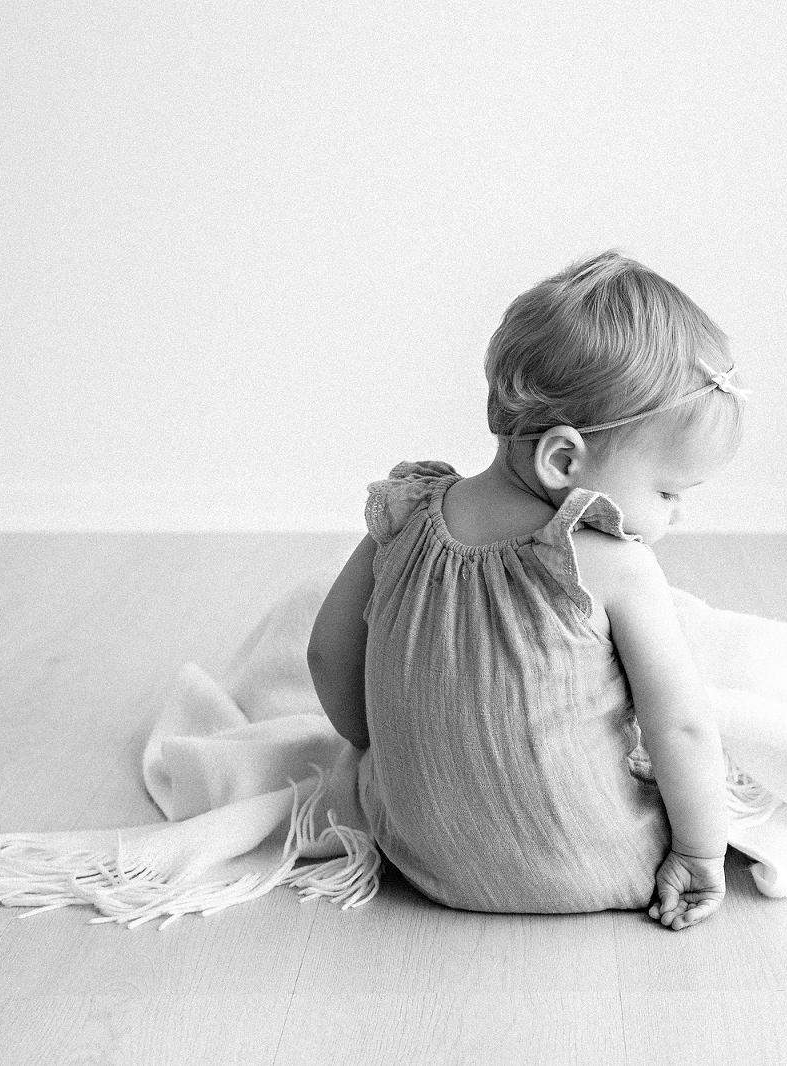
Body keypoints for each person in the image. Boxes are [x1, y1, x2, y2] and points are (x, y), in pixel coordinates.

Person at [306, 250, 748, 930]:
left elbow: (329, 657)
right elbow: (681, 727)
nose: (676, 516)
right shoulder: (610, 560)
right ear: (565, 460)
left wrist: (388, 755)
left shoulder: (402, 516)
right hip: (596, 864)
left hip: (420, 860)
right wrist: (700, 851)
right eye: (669, 491)